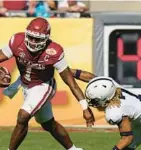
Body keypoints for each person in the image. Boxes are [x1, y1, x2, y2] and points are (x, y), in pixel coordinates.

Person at [0, 17, 95, 150]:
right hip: (25, 84)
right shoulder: (17, 40)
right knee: (48, 124)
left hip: (44, 86)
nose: (33, 42)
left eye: (37, 39)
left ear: (46, 39)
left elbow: (71, 82)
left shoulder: (54, 51)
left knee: (23, 116)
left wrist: (84, 107)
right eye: (31, 37)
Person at [84, 76, 141, 150]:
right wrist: (71, 72)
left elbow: (127, 138)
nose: (93, 102)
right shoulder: (113, 86)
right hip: (139, 123)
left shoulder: (115, 111)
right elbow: (94, 79)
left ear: (104, 98)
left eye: (95, 100)